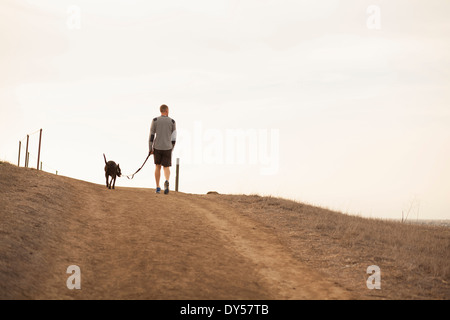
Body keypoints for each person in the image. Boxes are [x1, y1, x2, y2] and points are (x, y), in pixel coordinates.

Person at [149, 104, 177, 194]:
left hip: (157, 147)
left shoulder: (155, 120)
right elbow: (174, 137)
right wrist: (172, 147)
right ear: (167, 111)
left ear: (161, 111)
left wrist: (150, 148)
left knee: (157, 166)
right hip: (168, 147)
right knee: (166, 167)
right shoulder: (172, 121)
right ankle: (167, 181)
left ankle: (157, 187)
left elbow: (151, 135)